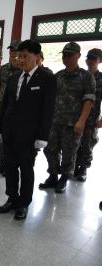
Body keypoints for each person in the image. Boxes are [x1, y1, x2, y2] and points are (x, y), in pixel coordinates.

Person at [0, 40, 56, 220]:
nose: (20, 60)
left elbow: (48, 110)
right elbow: (5, 105)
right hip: (10, 132)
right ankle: (12, 198)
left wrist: (43, 136)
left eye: (25, 56)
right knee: (10, 167)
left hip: (30, 136)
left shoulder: (47, 78)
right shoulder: (14, 77)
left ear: (37, 57)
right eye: (18, 56)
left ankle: (24, 203)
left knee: (26, 169)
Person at [40, 42, 96, 193]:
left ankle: (64, 177)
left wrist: (82, 121)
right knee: (50, 149)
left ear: (78, 56)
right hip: (54, 121)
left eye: (69, 55)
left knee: (69, 152)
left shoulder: (86, 77)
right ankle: (52, 175)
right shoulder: (58, 76)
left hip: (73, 124)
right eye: (64, 55)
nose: (66, 58)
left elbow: (89, 100)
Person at [0, 40, 21, 175]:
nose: (13, 54)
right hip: (2, 109)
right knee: (0, 137)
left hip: (17, 112)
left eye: (16, 51)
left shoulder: (24, 69)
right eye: (11, 51)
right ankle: (2, 163)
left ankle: (12, 166)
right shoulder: (3, 69)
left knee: (14, 139)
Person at [74, 48, 102, 181]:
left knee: (87, 143)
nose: (90, 61)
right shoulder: (81, 76)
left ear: (100, 61)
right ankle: (73, 166)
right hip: (75, 116)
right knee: (74, 143)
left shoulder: (101, 78)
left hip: (92, 118)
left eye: (94, 59)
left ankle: (83, 168)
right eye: (89, 58)